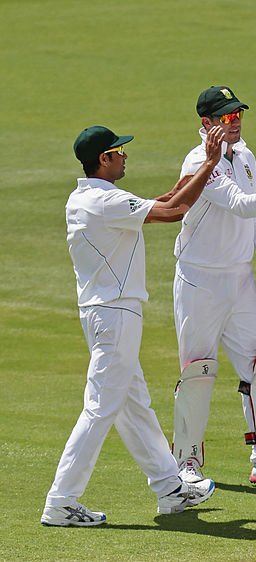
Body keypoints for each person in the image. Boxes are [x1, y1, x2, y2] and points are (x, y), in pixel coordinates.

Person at [42, 125, 222, 526]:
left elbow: (157, 203)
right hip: (115, 314)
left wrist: (185, 183)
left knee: (132, 404)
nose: (125, 156)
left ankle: (170, 487)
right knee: (100, 407)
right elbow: (172, 213)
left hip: (105, 313)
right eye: (119, 151)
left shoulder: (85, 197)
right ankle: (61, 500)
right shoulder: (104, 201)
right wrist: (209, 164)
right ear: (103, 159)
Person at [172, 85, 256, 488]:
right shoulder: (199, 161)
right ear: (206, 124)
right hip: (200, 278)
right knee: (198, 369)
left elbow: (250, 216)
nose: (234, 120)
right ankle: (186, 463)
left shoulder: (247, 154)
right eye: (225, 117)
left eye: (237, 113)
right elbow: (239, 203)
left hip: (237, 278)